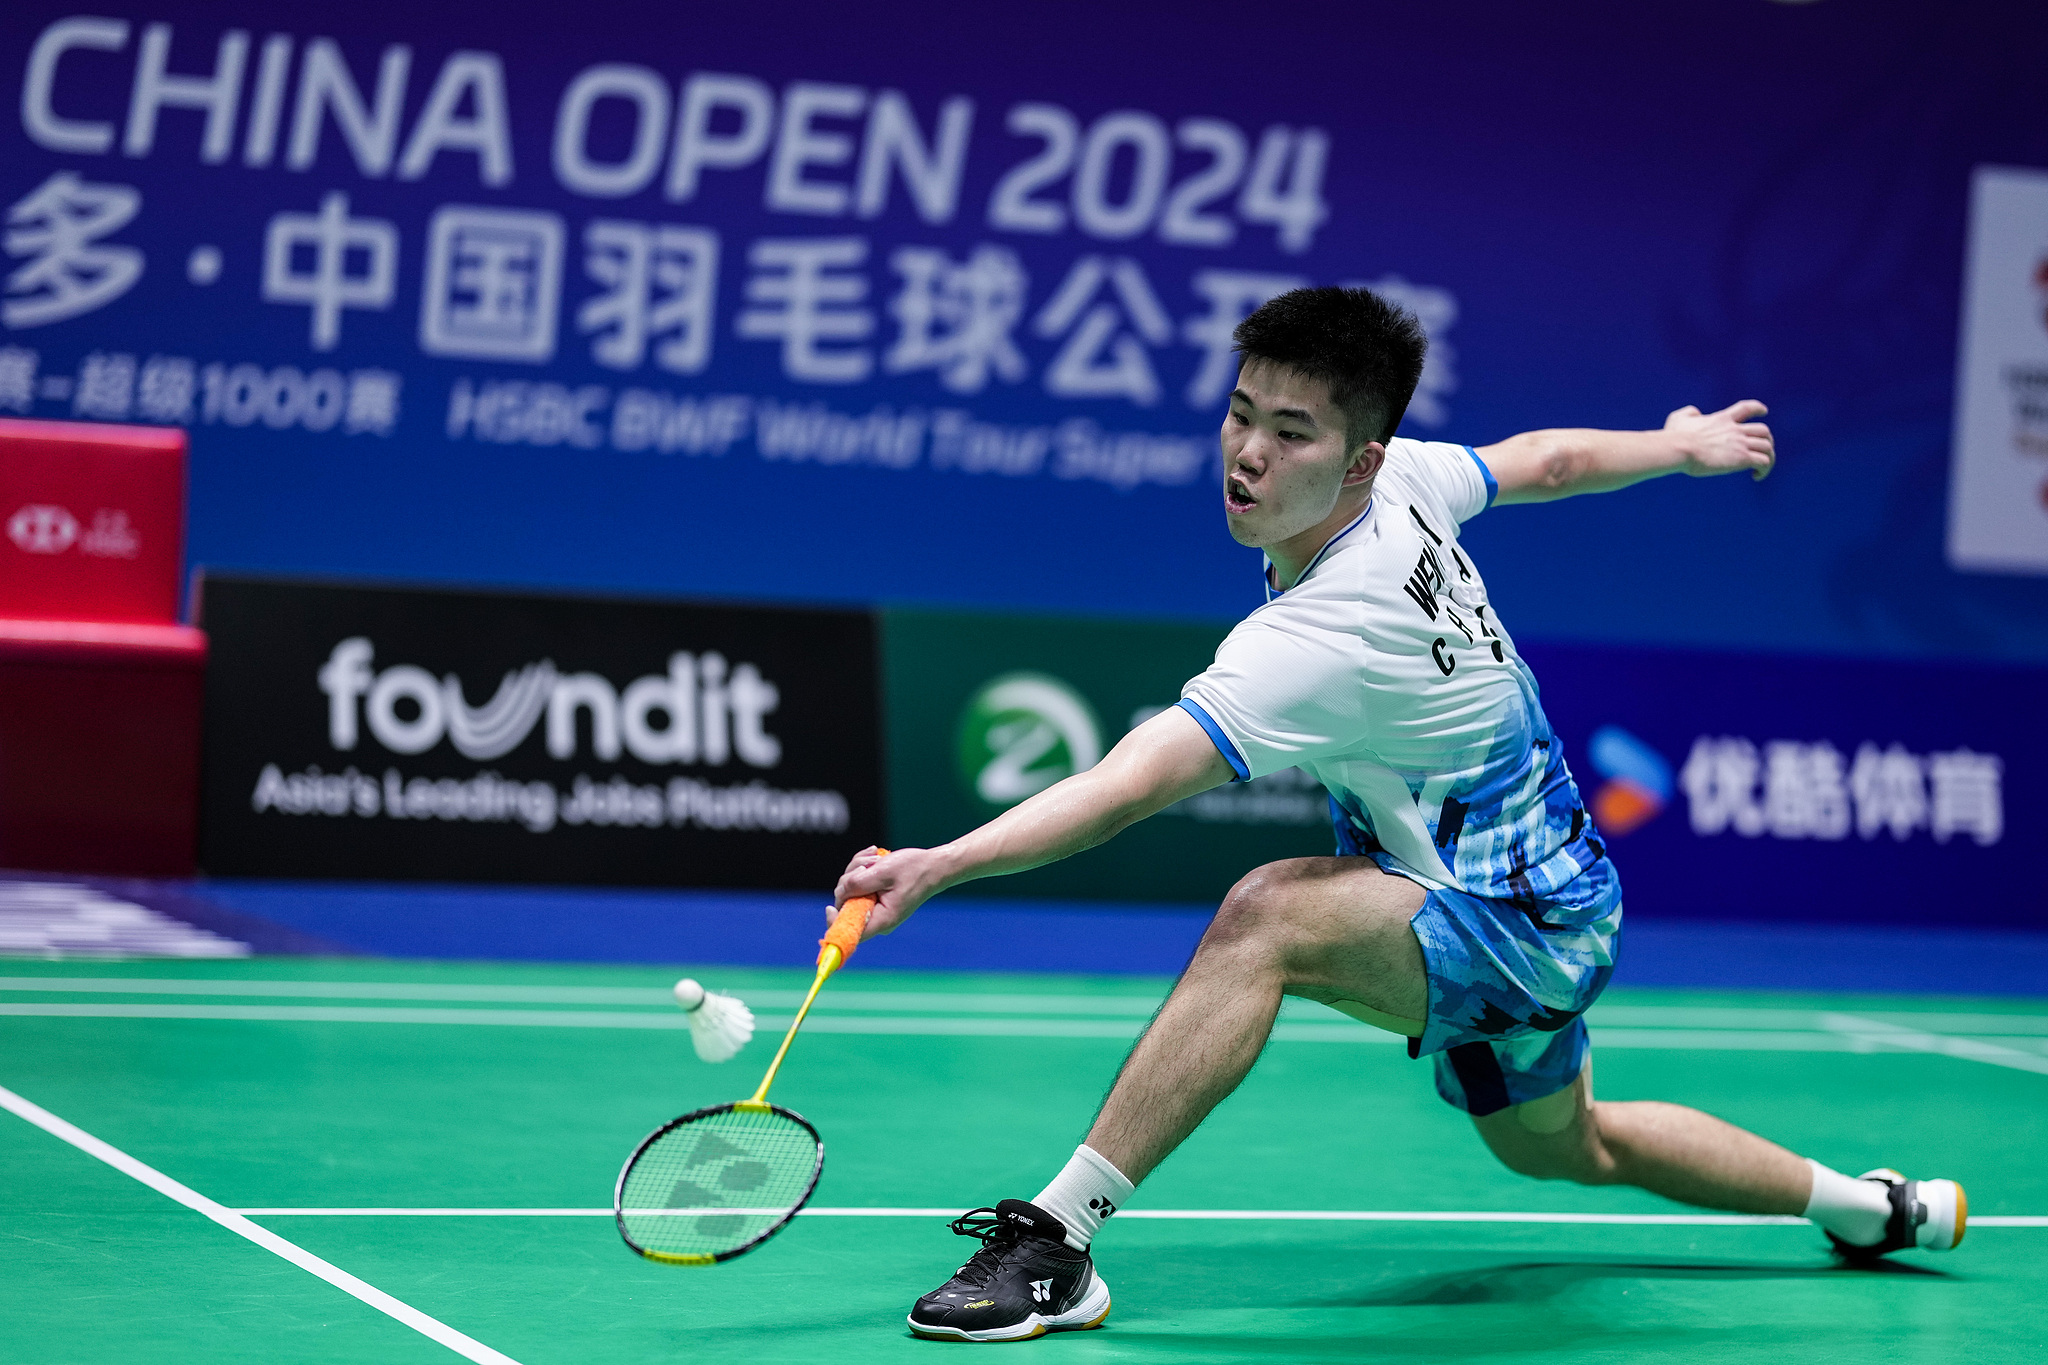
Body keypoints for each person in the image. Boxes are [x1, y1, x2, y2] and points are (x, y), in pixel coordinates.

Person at [831, 287, 1966, 1344]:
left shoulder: (1318, 633)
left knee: (1266, 914)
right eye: (1238, 415)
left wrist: (938, 866)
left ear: (1359, 457)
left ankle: (1058, 1242)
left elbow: (1125, 782)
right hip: (1554, 900)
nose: (1247, 454)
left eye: (1290, 433)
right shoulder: (1405, 483)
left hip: (1511, 923)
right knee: (1572, 1145)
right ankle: (1870, 1208)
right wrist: (1677, 446)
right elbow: (1551, 461)